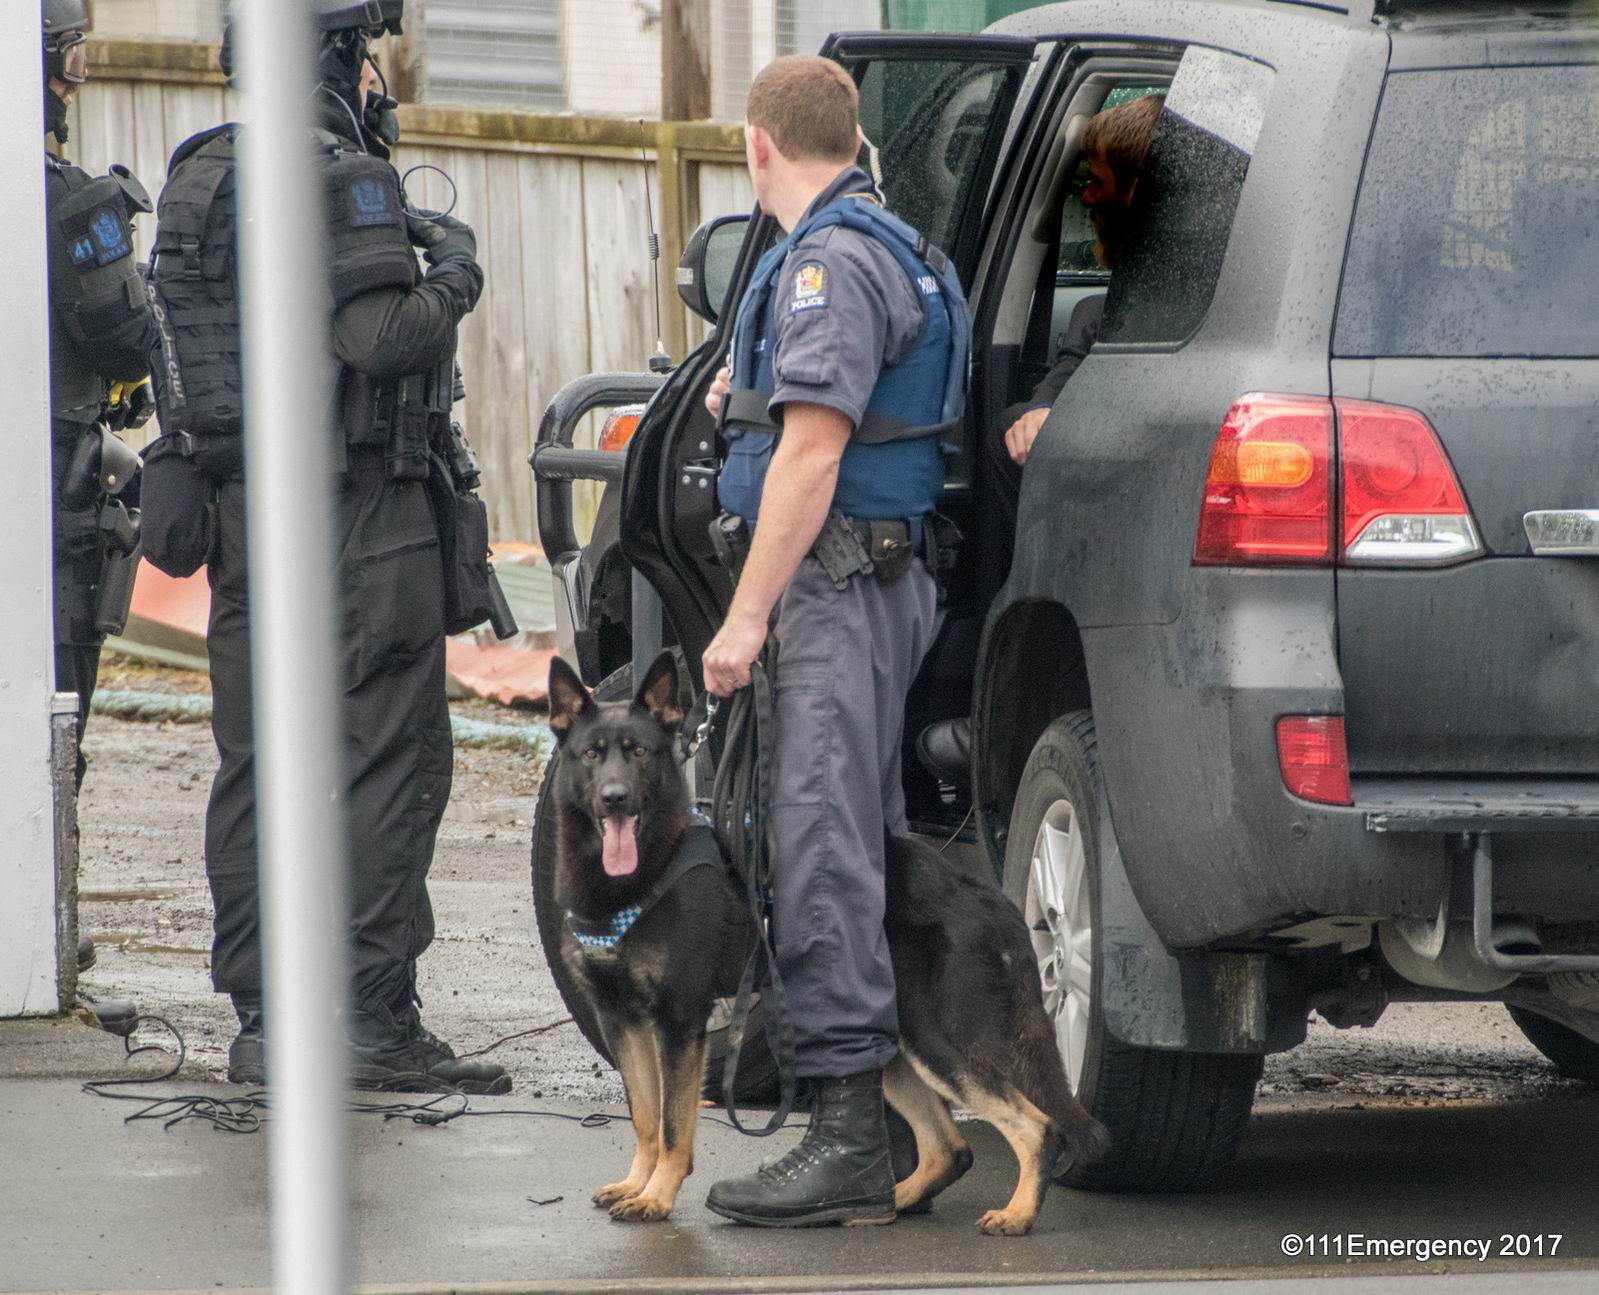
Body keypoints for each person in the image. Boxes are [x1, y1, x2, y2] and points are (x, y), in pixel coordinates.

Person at [147, 0, 507, 1093]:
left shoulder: (198, 174)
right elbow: (378, 335)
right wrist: (454, 270)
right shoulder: (341, 176)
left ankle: (264, 1020)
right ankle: (371, 1022)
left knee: (259, 769)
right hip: (357, 520)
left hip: (244, 515)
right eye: (370, 57)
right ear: (341, 56)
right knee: (388, 766)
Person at [697, 55, 972, 1227]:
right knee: (855, 831)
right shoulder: (894, 242)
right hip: (882, 578)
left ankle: (848, 1129)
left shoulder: (827, 260)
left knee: (819, 836)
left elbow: (815, 453)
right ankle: (901, 1111)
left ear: (759, 146)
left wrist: (747, 613)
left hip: (833, 583)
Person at [918, 92, 1165, 787]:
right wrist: (1049, 406)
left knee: (1004, 446)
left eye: (1097, 177)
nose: (1082, 195)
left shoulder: (1178, 303)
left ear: (1145, 192)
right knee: (1011, 434)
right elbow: (1070, 364)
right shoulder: (1110, 303)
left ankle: (1012, 706)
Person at [42, 0, 157, 796]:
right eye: (68, 55)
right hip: (54, 493)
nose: (74, 80)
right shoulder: (72, 202)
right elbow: (131, 336)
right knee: (57, 707)